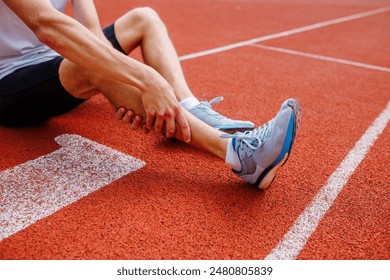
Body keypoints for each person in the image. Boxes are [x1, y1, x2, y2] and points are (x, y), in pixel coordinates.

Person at [0, 0, 301, 189]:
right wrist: (144, 79)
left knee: (144, 17)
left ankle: (187, 109)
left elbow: (92, 33)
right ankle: (242, 156)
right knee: (92, 66)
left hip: (54, 63)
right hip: (10, 82)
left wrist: (122, 90)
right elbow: (47, 26)